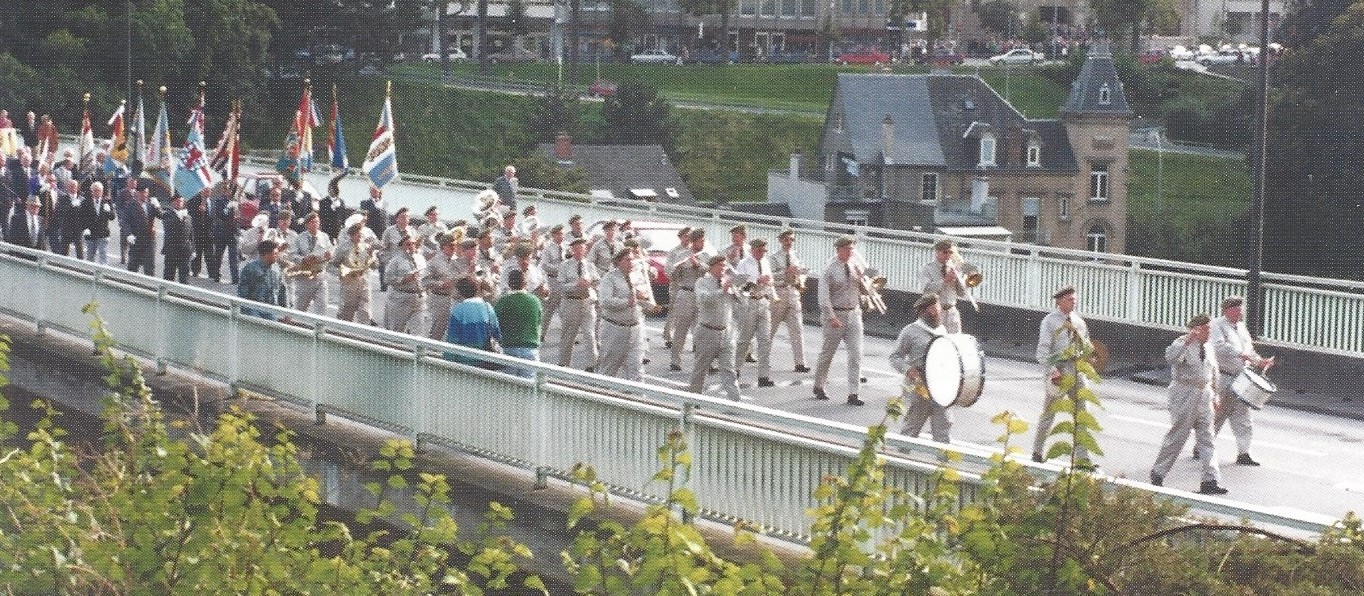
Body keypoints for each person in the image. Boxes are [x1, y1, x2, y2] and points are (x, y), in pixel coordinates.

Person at [1150, 314, 1228, 495]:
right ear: (1197, 329)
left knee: (1208, 438)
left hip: (1204, 394)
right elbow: (1170, 357)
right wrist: (1187, 341)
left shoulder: (1208, 347)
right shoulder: (1181, 343)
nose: (1210, 332)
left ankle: (1210, 480)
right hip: (1185, 392)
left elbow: (1214, 371)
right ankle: (1158, 472)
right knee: (1178, 435)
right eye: (1207, 329)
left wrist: (1215, 395)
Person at [1031, 286, 1095, 465]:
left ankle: (1082, 458)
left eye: (1074, 299)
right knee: (1049, 413)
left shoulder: (1079, 322)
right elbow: (1042, 352)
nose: (1072, 301)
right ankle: (1037, 451)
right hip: (1058, 369)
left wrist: (1089, 357)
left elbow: (1086, 344)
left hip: (1076, 369)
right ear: (1059, 301)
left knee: (1083, 412)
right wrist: (1052, 370)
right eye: (1068, 299)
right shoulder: (1050, 322)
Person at [1209, 295, 1274, 466]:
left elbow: (1249, 350)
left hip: (1241, 377)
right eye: (1236, 309)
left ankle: (1244, 453)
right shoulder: (1217, 325)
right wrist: (1240, 354)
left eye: (1241, 309)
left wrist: (1260, 361)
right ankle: (1203, 447)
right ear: (1227, 310)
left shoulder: (1242, 327)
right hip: (1223, 376)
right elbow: (1218, 346)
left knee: (1243, 417)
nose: (1240, 312)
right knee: (1218, 414)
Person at [889, 294, 951, 443]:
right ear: (924, 311)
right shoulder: (910, 331)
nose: (940, 312)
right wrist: (907, 370)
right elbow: (895, 357)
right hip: (918, 386)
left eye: (939, 308)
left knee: (943, 429)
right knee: (911, 429)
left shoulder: (942, 330)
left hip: (939, 386)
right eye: (935, 309)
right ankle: (902, 459)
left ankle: (943, 464)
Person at [813, 236, 866, 406]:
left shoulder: (854, 265)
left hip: (854, 313)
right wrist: (831, 317)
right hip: (836, 314)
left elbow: (866, 292)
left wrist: (862, 278)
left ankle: (853, 393)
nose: (850, 252)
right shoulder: (830, 269)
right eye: (847, 249)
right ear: (839, 250)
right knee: (828, 353)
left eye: (852, 249)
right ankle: (819, 385)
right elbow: (823, 297)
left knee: (856, 354)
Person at [690, 255, 744, 401]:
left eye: (724, 265)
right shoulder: (702, 282)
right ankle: (694, 400)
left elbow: (740, 303)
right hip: (707, 331)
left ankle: (735, 401)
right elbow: (704, 299)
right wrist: (722, 291)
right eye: (720, 265)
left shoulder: (727, 283)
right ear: (712, 267)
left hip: (726, 332)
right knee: (701, 369)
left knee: (729, 370)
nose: (723, 268)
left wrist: (736, 290)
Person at [598, 248, 648, 381]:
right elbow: (605, 301)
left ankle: (635, 399)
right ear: (618, 262)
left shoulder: (636, 276)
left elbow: (642, 298)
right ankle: (602, 397)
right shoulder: (609, 279)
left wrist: (646, 302)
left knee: (636, 368)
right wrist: (627, 302)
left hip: (635, 328)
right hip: (615, 328)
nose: (631, 262)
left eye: (632, 259)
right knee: (609, 367)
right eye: (627, 260)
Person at [734, 237, 776, 387]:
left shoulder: (765, 262)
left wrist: (768, 283)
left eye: (764, 250)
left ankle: (763, 376)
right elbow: (740, 284)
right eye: (759, 250)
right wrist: (757, 280)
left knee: (765, 340)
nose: (762, 253)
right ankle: (736, 369)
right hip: (750, 302)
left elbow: (770, 280)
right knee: (744, 339)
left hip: (763, 300)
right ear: (753, 250)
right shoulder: (744, 264)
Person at [769, 229, 810, 373]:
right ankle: (763, 357)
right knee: (770, 330)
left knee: (797, 329)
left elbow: (804, 271)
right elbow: (770, 276)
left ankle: (800, 362)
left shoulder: (796, 255)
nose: (789, 242)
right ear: (780, 241)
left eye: (791, 239)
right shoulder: (774, 257)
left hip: (793, 293)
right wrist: (786, 272)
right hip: (779, 293)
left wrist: (801, 275)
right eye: (786, 239)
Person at [667, 228, 709, 371]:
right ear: (694, 241)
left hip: (701, 295)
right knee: (681, 329)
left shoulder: (705, 255)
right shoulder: (681, 255)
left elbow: (709, 273)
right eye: (701, 241)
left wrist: (698, 265)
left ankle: (703, 361)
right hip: (686, 293)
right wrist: (678, 268)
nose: (703, 243)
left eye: (704, 240)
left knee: (701, 330)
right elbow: (671, 275)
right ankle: (675, 360)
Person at [557, 237, 599, 370]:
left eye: (582, 249)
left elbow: (598, 281)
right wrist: (576, 284)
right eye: (576, 249)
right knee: (568, 336)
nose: (579, 252)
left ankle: (592, 364)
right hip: (571, 302)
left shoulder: (590, 265)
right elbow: (561, 286)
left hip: (586, 302)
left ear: (585, 250)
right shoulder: (565, 265)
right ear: (572, 250)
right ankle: (564, 364)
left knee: (589, 334)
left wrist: (591, 282)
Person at [495, 269, 544, 378]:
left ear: (509, 284)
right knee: (529, 388)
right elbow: (539, 323)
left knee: (509, 387)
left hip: (509, 348)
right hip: (530, 349)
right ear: (525, 283)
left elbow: (495, 326)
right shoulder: (535, 301)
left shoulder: (502, 302)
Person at [445, 277, 501, 369]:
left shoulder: (458, 311)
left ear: (460, 292)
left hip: (464, 362)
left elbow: (452, 339)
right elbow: (497, 334)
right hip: (487, 361)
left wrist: (447, 362)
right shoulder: (488, 307)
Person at [330, 223, 378, 325]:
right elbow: (331, 265)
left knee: (365, 311)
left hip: (363, 282)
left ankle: (364, 334)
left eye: (361, 234)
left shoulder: (366, 247)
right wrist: (341, 273)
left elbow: (375, 266)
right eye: (358, 234)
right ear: (352, 235)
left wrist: (372, 255)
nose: (360, 236)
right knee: (346, 312)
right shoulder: (343, 247)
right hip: (349, 283)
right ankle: (343, 334)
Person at [918, 238, 968, 333]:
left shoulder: (954, 269)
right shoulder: (927, 269)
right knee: (936, 341)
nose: (948, 255)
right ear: (937, 252)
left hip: (952, 310)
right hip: (935, 311)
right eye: (945, 252)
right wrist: (944, 281)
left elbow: (961, 293)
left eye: (950, 253)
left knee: (955, 341)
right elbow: (926, 291)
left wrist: (960, 280)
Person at [289, 212, 334, 314]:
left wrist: (329, 256)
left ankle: (319, 328)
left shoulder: (324, 237)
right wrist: (303, 259)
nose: (315, 224)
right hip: (305, 277)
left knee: (322, 306)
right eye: (312, 222)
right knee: (301, 308)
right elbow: (292, 255)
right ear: (307, 224)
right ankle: (296, 326)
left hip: (320, 276)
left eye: (317, 222)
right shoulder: (300, 238)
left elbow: (331, 251)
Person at [383, 233, 426, 334]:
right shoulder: (395, 260)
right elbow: (387, 279)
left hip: (418, 299)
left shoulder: (420, 258)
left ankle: (416, 348)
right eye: (408, 244)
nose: (411, 247)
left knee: (418, 330)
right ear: (402, 246)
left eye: (413, 244)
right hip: (401, 298)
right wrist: (403, 280)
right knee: (398, 330)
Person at [237, 239, 289, 320]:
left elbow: (282, 291)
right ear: (266, 254)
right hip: (253, 309)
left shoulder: (276, 269)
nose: (277, 255)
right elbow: (242, 294)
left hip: (271, 310)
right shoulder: (250, 269)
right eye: (275, 253)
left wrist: (287, 313)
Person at [423, 232, 460, 340]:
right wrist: (441, 284)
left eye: (455, 245)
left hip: (454, 298)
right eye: (451, 245)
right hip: (439, 298)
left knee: (452, 331)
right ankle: (430, 352)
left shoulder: (456, 260)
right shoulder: (434, 261)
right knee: (437, 329)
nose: (453, 248)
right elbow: (424, 281)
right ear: (444, 247)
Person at [661, 226, 692, 349]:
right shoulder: (674, 252)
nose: (688, 239)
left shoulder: (693, 251)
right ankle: (668, 336)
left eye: (690, 236)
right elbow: (668, 269)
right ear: (680, 237)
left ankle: (695, 340)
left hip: (690, 285)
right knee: (673, 311)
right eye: (685, 236)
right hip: (677, 285)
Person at [537, 224, 567, 340]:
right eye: (559, 234)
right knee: (549, 310)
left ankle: (567, 335)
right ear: (553, 235)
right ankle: (541, 334)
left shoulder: (566, 247)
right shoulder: (548, 249)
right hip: (553, 280)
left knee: (565, 311)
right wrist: (559, 268)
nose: (561, 236)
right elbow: (544, 265)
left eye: (562, 234)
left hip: (564, 282)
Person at [124, 187, 158, 276]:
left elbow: (161, 216)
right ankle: (131, 286)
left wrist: (157, 207)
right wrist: (128, 234)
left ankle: (149, 287)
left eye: (146, 192)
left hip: (149, 239)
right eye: (142, 192)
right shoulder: (131, 205)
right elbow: (125, 221)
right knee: (133, 266)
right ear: (138, 193)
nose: (144, 195)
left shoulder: (151, 204)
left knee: (149, 266)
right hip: (136, 239)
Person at [160, 195, 194, 283]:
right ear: (173, 203)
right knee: (169, 276)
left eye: (181, 201)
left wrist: (193, 249)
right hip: (172, 251)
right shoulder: (167, 214)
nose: (180, 203)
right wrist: (179, 219)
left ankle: (182, 295)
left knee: (185, 277)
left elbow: (191, 235)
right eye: (178, 201)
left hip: (185, 251)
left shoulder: (187, 216)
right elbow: (169, 227)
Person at [379, 207, 414, 292]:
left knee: (408, 289)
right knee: (394, 290)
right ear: (397, 219)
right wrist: (388, 261)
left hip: (407, 265)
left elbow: (415, 248)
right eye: (403, 217)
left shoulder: (412, 231)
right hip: (394, 265)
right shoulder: (389, 231)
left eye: (407, 217)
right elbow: (382, 249)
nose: (405, 219)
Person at [80, 181, 115, 264]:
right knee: (90, 255)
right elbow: (81, 217)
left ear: (102, 192)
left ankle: (103, 272)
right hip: (91, 232)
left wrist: (109, 211)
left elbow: (112, 217)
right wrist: (85, 228)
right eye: (95, 190)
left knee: (103, 254)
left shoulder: (107, 202)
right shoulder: (86, 202)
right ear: (92, 191)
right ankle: (89, 272)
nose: (97, 192)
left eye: (99, 190)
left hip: (103, 232)